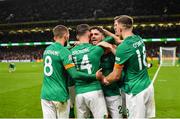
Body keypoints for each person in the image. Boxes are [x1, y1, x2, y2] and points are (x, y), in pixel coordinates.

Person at [41, 25, 105, 119]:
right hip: (60, 95)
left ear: (54, 37)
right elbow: (74, 74)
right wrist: (94, 76)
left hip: (45, 94)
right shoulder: (64, 52)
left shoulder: (47, 50)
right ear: (67, 36)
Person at [102, 15, 155, 118]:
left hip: (135, 90)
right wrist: (110, 46)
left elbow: (115, 76)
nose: (114, 27)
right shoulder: (138, 39)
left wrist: (103, 79)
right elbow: (122, 46)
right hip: (147, 86)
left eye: (115, 25)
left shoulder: (124, 47)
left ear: (120, 27)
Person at [70, 24, 108, 118]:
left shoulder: (70, 52)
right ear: (89, 34)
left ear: (77, 36)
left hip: (79, 93)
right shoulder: (96, 49)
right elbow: (112, 39)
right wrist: (103, 30)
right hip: (94, 90)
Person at [90, 26, 123, 118]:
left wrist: (110, 47)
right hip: (96, 94)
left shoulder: (111, 48)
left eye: (96, 34)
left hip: (112, 92)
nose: (93, 36)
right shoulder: (89, 50)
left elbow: (117, 38)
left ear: (103, 36)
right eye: (91, 34)